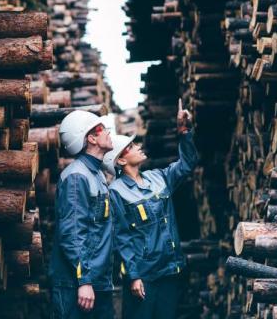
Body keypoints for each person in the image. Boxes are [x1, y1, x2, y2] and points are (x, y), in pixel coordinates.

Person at [103, 99, 198, 319]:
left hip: (170, 270)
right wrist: (134, 276)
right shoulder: (117, 191)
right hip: (144, 278)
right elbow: (122, 238)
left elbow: (187, 165)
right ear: (120, 161)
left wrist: (184, 132)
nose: (138, 146)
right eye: (131, 146)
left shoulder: (158, 177)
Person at [49, 110, 114, 319]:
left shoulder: (97, 174)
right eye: (101, 129)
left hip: (98, 282)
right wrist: (84, 281)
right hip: (76, 285)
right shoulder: (77, 177)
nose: (108, 131)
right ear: (91, 138)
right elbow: (73, 234)